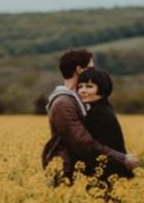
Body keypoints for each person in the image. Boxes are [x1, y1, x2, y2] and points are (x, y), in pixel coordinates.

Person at [41, 49, 138, 186]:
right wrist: (121, 158)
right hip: (67, 171)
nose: (93, 72)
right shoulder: (63, 102)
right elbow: (83, 142)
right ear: (79, 69)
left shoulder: (79, 98)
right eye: (90, 68)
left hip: (82, 171)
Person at [76, 67, 134, 181]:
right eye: (80, 87)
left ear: (101, 89)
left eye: (89, 86)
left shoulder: (98, 113)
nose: (82, 91)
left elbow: (94, 146)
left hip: (107, 174)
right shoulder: (102, 108)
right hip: (112, 172)